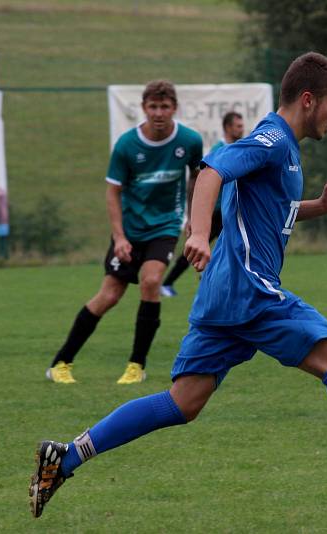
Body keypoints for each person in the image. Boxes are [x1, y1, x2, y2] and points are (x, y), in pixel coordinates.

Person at [29, 52, 327, 523]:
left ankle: (64, 458)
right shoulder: (271, 139)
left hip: (224, 297)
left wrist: (321, 206)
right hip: (251, 290)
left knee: (182, 403)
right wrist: (199, 234)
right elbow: (211, 172)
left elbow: (268, 210)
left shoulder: (284, 148)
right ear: (308, 100)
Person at [45, 80, 203, 385]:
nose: (159, 113)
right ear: (144, 108)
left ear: (174, 108)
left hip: (165, 226)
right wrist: (119, 237)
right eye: (153, 107)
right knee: (109, 296)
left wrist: (193, 219)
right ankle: (60, 364)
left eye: (165, 106)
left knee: (152, 280)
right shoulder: (127, 145)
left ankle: (136, 366)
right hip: (130, 231)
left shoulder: (190, 141)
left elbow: (198, 179)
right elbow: (112, 193)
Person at [160, 111, 245, 297]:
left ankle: (213, 277)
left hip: (230, 209)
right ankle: (167, 283)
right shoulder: (219, 150)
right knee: (198, 244)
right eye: (238, 126)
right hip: (216, 211)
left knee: (234, 245)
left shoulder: (239, 149)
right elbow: (203, 179)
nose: (242, 129)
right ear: (228, 127)